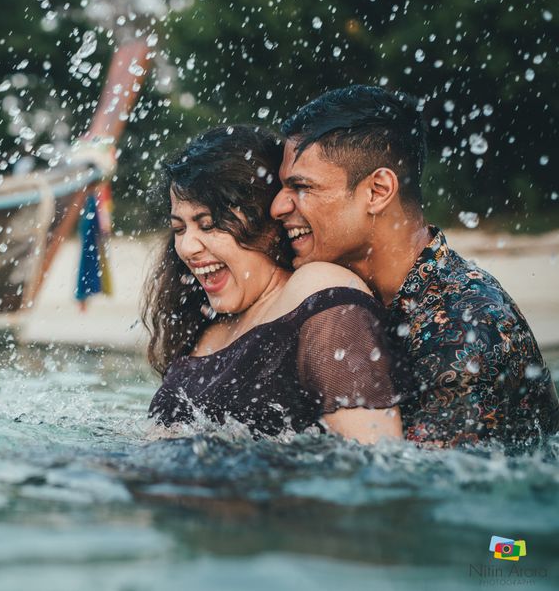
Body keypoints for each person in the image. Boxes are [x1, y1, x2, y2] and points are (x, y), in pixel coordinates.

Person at [271, 85, 559, 448]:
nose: (278, 207)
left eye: (301, 187)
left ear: (377, 191)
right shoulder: (364, 300)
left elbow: (425, 492)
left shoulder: (465, 329)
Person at [145, 125, 406, 444]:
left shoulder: (317, 290)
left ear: (266, 224)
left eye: (209, 224)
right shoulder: (207, 326)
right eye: (179, 228)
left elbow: (376, 455)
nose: (187, 248)